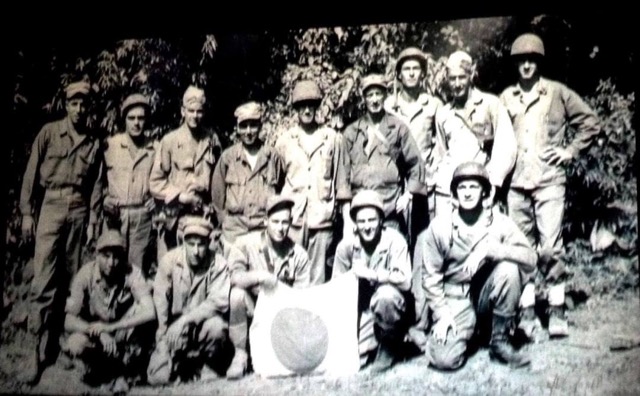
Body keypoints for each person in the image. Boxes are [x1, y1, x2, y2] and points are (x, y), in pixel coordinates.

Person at [500, 33, 601, 338]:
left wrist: (569, 151)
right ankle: (527, 313)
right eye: (521, 60)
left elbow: (590, 122)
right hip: (516, 184)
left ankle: (557, 312)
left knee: (550, 248)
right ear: (515, 64)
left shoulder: (556, 93)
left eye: (532, 60)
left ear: (539, 63)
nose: (526, 65)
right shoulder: (506, 98)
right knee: (522, 249)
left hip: (549, 182)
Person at [18, 80, 103, 384]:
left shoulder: (93, 141)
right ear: (66, 105)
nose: (80, 109)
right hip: (51, 206)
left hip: (79, 209)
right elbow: (30, 173)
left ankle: (67, 346)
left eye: (84, 104)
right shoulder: (49, 132)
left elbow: (96, 184)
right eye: (75, 103)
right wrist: (27, 214)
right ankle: (34, 351)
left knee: (73, 279)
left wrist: (93, 220)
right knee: (43, 280)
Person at [418, 162, 536, 370]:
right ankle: (470, 333)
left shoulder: (499, 222)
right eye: (462, 188)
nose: (468, 193)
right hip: (454, 297)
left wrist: (492, 250)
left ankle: (500, 342)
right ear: (454, 194)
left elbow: (530, 258)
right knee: (443, 360)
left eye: (474, 187)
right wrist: (442, 314)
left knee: (508, 269)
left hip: (485, 293)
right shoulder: (440, 227)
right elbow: (431, 277)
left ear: (484, 192)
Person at [225, 194, 311, 379]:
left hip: (282, 315)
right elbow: (234, 277)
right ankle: (240, 354)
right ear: (265, 221)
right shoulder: (245, 243)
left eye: (285, 222)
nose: (281, 228)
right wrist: (260, 276)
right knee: (237, 295)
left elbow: (302, 299)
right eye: (276, 222)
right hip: (253, 309)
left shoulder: (299, 255)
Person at [275, 80, 351, 284]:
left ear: (318, 107)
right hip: (293, 221)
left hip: (321, 219)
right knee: (289, 274)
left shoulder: (332, 138)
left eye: (312, 105)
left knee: (318, 278)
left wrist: (348, 225)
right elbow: (275, 185)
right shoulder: (284, 142)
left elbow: (342, 184)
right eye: (302, 105)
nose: (307, 110)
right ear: (296, 109)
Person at [61, 230, 156, 393]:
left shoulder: (132, 272)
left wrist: (112, 328)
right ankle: (99, 369)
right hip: (96, 334)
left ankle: (125, 370)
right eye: (106, 256)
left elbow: (150, 312)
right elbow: (68, 320)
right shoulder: (85, 274)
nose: (111, 263)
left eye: (116, 256)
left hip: (122, 333)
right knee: (76, 343)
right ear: (97, 254)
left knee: (142, 315)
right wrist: (100, 333)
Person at [332, 190, 412, 372]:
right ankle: (373, 342)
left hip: (390, 306)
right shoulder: (346, 247)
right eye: (361, 221)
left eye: (372, 220)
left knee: (386, 295)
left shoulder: (394, 241)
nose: (367, 227)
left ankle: (389, 349)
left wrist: (373, 275)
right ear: (355, 224)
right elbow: (337, 290)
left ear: (381, 221)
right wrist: (352, 275)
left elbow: (406, 282)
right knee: (354, 359)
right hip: (362, 309)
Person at [431, 50, 517, 217]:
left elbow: (506, 145)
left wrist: (494, 181)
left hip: (480, 188)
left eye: (461, 77)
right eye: (452, 78)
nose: (457, 84)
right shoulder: (443, 113)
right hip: (448, 190)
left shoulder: (490, 104)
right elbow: (442, 152)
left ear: (471, 76)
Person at [147, 216, 231, 385]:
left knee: (217, 327)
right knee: (158, 378)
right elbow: (161, 300)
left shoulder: (218, 263)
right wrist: (164, 335)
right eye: (191, 244)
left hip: (201, 326)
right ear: (183, 242)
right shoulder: (169, 261)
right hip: (173, 329)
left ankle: (206, 365)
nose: (196, 250)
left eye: (201, 244)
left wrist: (185, 321)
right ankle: (179, 364)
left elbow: (217, 302)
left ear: (209, 243)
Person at [343, 73, 427, 234]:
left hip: (389, 208)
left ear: (385, 96)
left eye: (378, 94)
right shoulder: (352, 132)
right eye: (370, 95)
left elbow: (416, 163)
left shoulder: (398, 127)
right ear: (364, 99)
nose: (374, 100)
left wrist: (408, 195)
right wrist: (347, 219)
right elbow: (343, 177)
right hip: (360, 211)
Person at [149, 85, 221, 259]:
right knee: (172, 267)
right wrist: (180, 196)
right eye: (191, 111)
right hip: (174, 219)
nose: (195, 116)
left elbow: (218, 180)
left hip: (202, 216)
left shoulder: (211, 140)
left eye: (199, 111)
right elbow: (155, 182)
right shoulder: (170, 141)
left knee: (200, 265)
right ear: (183, 111)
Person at [211, 101, 285, 255]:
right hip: (235, 230)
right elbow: (218, 196)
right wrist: (225, 221)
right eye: (244, 126)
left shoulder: (272, 156)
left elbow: (281, 190)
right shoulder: (228, 157)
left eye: (253, 125)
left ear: (260, 127)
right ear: (237, 129)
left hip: (263, 228)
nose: (249, 131)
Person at [103, 93, 157, 276]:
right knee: (111, 267)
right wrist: (104, 198)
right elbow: (95, 180)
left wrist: (158, 200)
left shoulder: (154, 148)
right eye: (131, 118)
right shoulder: (110, 146)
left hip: (142, 217)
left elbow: (163, 180)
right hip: (115, 217)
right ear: (124, 120)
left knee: (137, 271)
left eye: (141, 118)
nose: (136, 123)